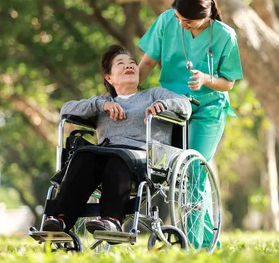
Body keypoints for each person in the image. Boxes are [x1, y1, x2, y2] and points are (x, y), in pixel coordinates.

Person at [42, 45, 191, 234]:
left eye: (132, 63)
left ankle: (113, 220)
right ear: (109, 77)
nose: (129, 66)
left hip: (143, 158)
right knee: (84, 156)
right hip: (106, 154)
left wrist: (162, 105)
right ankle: (60, 219)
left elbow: (185, 106)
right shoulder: (102, 104)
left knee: (117, 158)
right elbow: (66, 109)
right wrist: (101, 104)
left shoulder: (153, 95)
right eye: (121, 63)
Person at [137, 0, 243, 249]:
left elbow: (228, 82)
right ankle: (209, 243)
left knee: (194, 169)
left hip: (208, 110)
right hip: (172, 108)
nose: (181, 24)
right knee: (178, 175)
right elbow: (148, 61)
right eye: (178, 18)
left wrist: (207, 79)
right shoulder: (166, 21)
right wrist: (127, 93)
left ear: (205, 15)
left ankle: (193, 244)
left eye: (188, 20)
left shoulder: (225, 36)